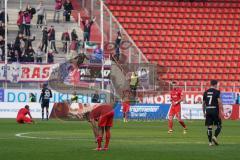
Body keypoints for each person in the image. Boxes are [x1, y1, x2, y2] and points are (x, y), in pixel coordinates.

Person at [202, 80, 223, 146]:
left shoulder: (206, 92)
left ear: (210, 84)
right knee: (219, 125)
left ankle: (210, 143)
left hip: (208, 110)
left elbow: (203, 104)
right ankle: (214, 137)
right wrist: (221, 110)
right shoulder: (217, 92)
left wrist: (204, 112)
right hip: (215, 110)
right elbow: (219, 102)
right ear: (215, 84)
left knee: (209, 127)